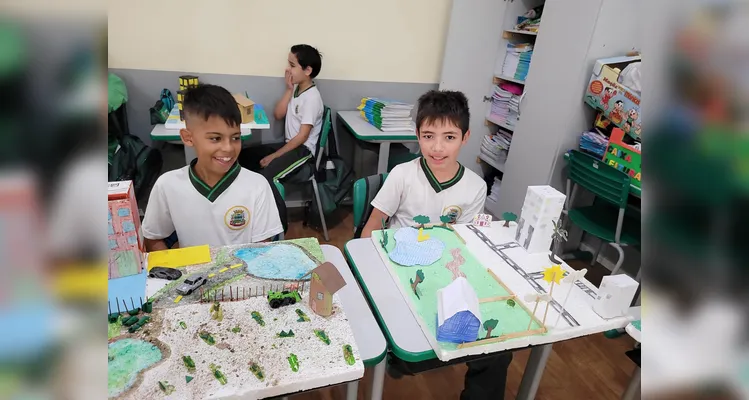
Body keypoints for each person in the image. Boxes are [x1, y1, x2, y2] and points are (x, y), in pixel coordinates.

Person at [361, 90, 512, 400]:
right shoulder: (403, 175)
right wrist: (368, 270)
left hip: (446, 272)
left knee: (497, 348)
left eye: (449, 137)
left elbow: (466, 241)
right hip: (401, 270)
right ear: (417, 134)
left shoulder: (475, 186)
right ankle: (405, 359)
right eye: (428, 136)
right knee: (414, 346)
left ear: (465, 137)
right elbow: (374, 225)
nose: (437, 147)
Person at [142, 84, 283, 250]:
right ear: (188, 138)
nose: (228, 148)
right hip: (192, 274)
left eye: (235, 138)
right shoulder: (167, 185)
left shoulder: (257, 186)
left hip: (242, 273)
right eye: (216, 138)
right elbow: (153, 238)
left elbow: (262, 247)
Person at [239, 44, 324, 182]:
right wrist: (289, 89)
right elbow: (278, 114)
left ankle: (271, 203)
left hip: (303, 151)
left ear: (307, 70)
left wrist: (274, 156)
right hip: (289, 145)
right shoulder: (296, 90)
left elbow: (302, 137)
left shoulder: (312, 98)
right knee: (244, 156)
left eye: (292, 65)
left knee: (266, 177)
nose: (287, 69)